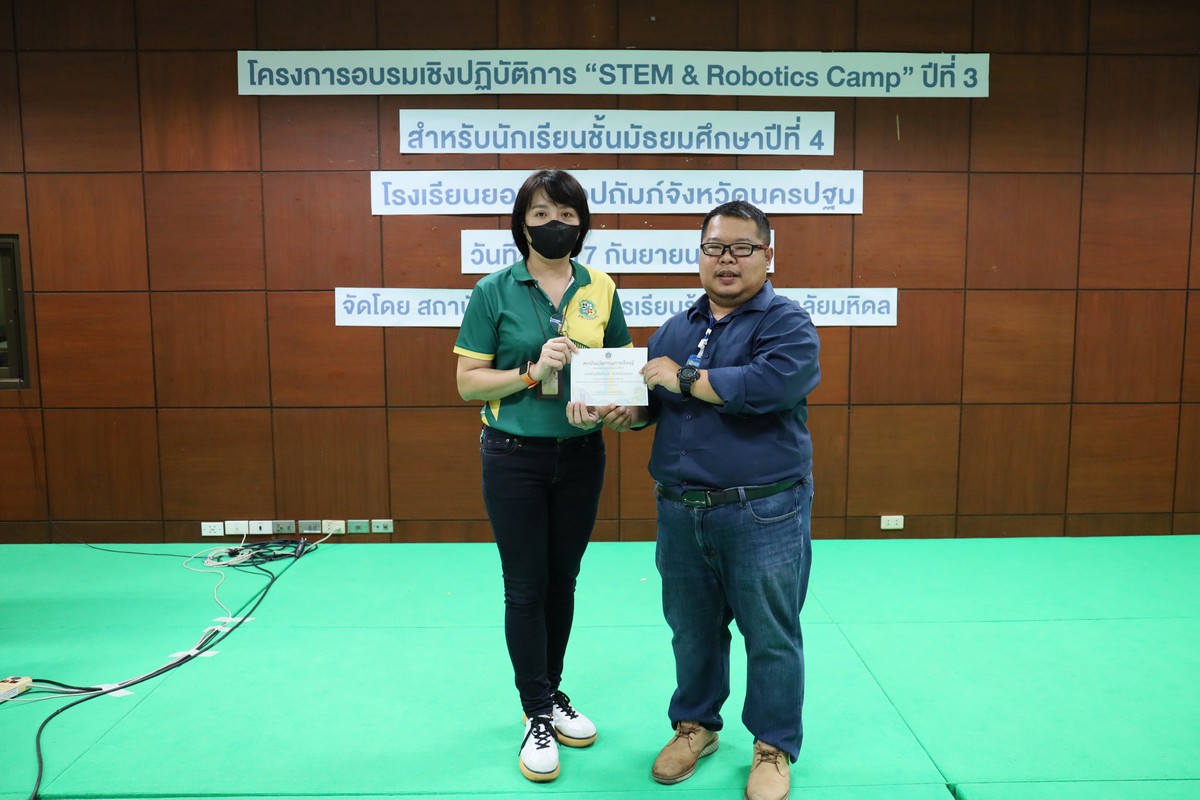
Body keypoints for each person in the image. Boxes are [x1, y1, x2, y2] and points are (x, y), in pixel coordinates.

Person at [586, 200, 819, 800]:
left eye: (742, 248)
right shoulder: (676, 328)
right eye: (715, 248)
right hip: (680, 508)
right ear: (700, 255)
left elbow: (768, 386)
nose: (727, 260)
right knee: (691, 630)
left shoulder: (787, 324)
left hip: (764, 510)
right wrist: (624, 412)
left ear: (768, 255)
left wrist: (683, 377)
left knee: (771, 635)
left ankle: (772, 746)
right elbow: (653, 403)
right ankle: (695, 727)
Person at [453, 168, 633, 783]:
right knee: (526, 587)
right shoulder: (493, 291)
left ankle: (552, 691)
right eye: (540, 214)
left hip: (581, 456)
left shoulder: (601, 287)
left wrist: (608, 405)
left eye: (565, 214)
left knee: (563, 582)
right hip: (513, 456)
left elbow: (619, 372)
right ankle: (535, 713)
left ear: (581, 224)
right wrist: (531, 373)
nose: (554, 224)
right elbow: (467, 382)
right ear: (521, 224)